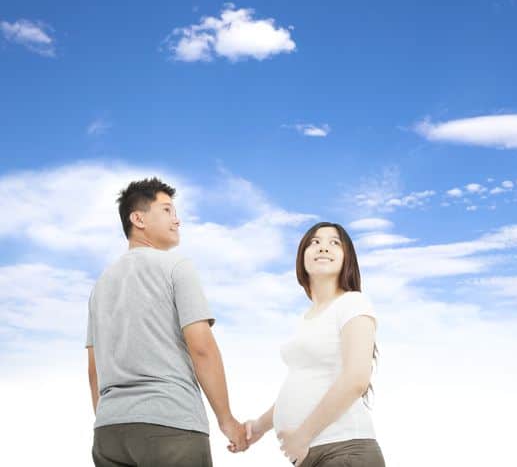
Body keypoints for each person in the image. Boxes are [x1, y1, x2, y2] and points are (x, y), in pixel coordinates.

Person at [85, 177, 247, 466]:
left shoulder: (101, 285)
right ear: (138, 219)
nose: (177, 220)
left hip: (109, 433)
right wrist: (227, 420)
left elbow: (93, 368)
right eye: (167, 210)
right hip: (171, 426)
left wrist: (113, 417)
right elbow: (201, 348)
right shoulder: (177, 267)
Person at [240, 222, 385, 466]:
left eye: (334, 243)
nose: (323, 248)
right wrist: (257, 428)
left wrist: (302, 436)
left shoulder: (353, 303)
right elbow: (303, 386)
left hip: (344, 450)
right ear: (302, 257)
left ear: (347, 258)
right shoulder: (306, 319)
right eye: (315, 242)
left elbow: (356, 379)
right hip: (313, 454)